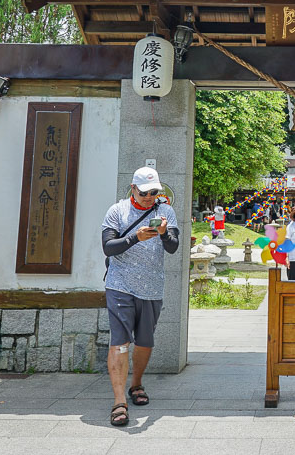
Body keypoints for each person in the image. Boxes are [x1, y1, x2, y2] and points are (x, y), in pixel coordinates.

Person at [101, 166, 180, 427]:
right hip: (119, 285)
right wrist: (134, 237)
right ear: (133, 188)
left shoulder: (165, 212)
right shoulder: (118, 210)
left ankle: (136, 384)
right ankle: (118, 401)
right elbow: (108, 247)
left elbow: (173, 248)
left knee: (145, 341)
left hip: (152, 287)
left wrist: (163, 233)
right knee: (120, 341)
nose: (149, 197)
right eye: (145, 192)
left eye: (154, 192)